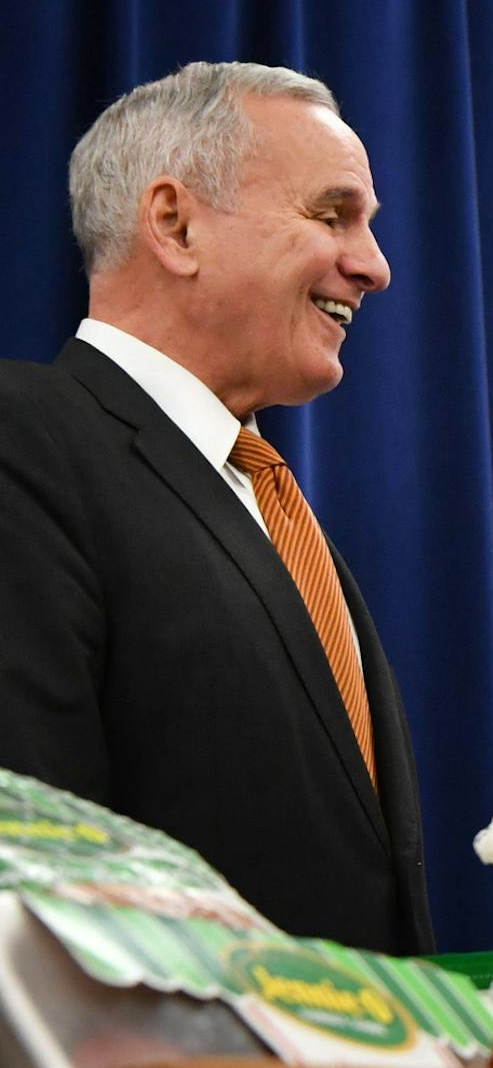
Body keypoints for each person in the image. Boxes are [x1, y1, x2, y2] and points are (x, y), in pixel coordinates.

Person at [0, 61, 432, 953]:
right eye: (332, 214)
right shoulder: (25, 441)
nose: (375, 267)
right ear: (175, 223)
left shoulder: (265, 497)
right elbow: (38, 858)